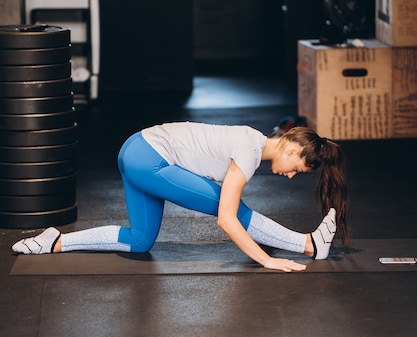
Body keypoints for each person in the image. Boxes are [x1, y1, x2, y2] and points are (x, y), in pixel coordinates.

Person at [12, 122, 348, 272]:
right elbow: (226, 220)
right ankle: (309, 245)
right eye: (297, 168)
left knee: (140, 240)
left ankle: (54, 242)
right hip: (149, 158)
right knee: (231, 208)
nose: (290, 176)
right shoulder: (248, 151)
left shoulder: (252, 141)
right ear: (290, 147)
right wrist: (266, 259)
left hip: (135, 149)